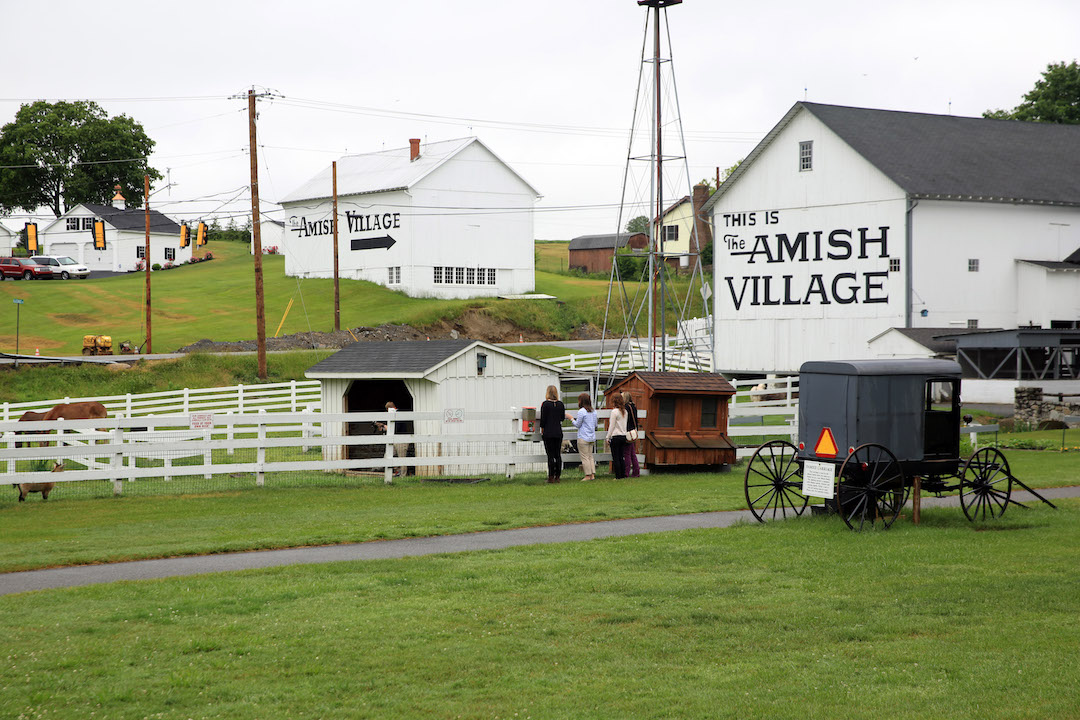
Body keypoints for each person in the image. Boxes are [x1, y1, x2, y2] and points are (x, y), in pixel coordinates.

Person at [539, 385, 566, 483]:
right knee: (557, 455)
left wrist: (542, 429)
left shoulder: (545, 404)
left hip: (548, 432)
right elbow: (562, 418)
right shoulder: (560, 404)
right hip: (558, 432)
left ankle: (551, 476)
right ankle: (558, 476)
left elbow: (543, 420)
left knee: (550, 455)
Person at [570, 392, 598, 481]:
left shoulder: (581, 411)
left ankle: (587, 475)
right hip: (591, 437)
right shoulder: (594, 411)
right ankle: (592, 474)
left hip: (583, 437)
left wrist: (571, 419)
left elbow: (578, 424)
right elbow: (596, 424)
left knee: (585, 457)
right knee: (590, 456)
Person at [607, 393, 628, 479]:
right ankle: (622, 475)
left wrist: (608, 437)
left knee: (616, 457)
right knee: (621, 457)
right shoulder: (625, 411)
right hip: (623, 436)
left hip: (616, 436)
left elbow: (611, 426)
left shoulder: (614, 412)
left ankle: (618, 476)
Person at [622, 391, 641, 477]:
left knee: (627, 453)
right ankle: (636, 471)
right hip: (633, 431)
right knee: (632, 453)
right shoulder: (633, 406)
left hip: (627, 432)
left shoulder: (626, 407)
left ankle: (626, 472)